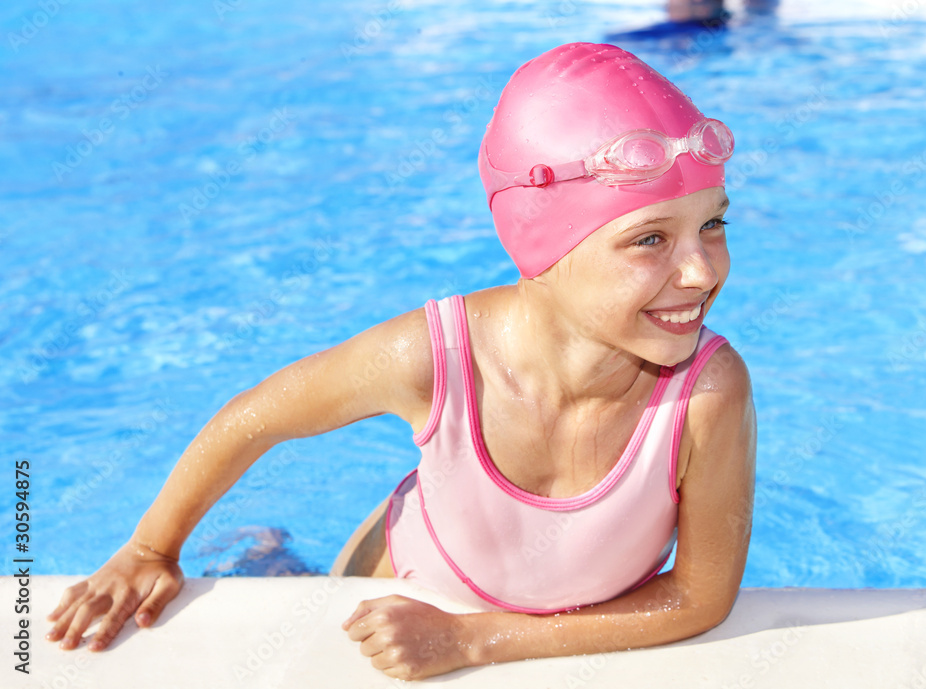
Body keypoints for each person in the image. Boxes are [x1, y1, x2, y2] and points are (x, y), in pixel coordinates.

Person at [46, 42, 756, 681]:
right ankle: (267, 553)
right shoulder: (437, 356)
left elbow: (700, 596)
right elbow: (254, 417)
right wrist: (149, 547)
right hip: (387, 587)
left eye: (713, 223)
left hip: (459, 634)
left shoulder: (708, 394)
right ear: (543, 245)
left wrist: (476, 641)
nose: (700, 272)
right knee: (277, 586)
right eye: (650, 240)